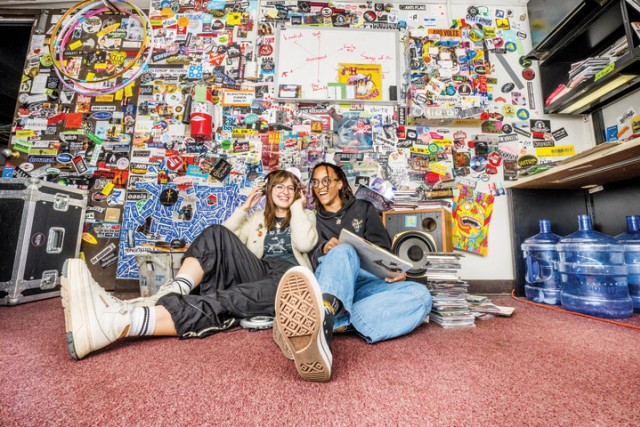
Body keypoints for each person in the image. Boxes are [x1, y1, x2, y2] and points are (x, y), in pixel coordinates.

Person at [62, 170, 317, 360]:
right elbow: (219, 240)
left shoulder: (307, 216)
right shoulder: (258, 217)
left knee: (230, 298)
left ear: (297, 194)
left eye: (291, 188)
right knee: (215, 230)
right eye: (279, 186)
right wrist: (244, 208)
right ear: (269, 191)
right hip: (257, 269)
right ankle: (173, 290)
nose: (284, 191)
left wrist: (297, 209)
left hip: (290, 278)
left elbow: (305, 244)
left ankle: (125, 321)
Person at [273, 162, 432, 382]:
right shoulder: (313, 217)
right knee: (343, 250)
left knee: (421, 296)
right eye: (316, 182)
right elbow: (309, 254)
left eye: (326, 180)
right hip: (332, 281)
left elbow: (383, 251)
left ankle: (331, 322)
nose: (320, 186)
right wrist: (324, 248)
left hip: (367, 283)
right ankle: (326, 318)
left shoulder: (364, 209)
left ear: (339, 183)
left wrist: (395, 272)